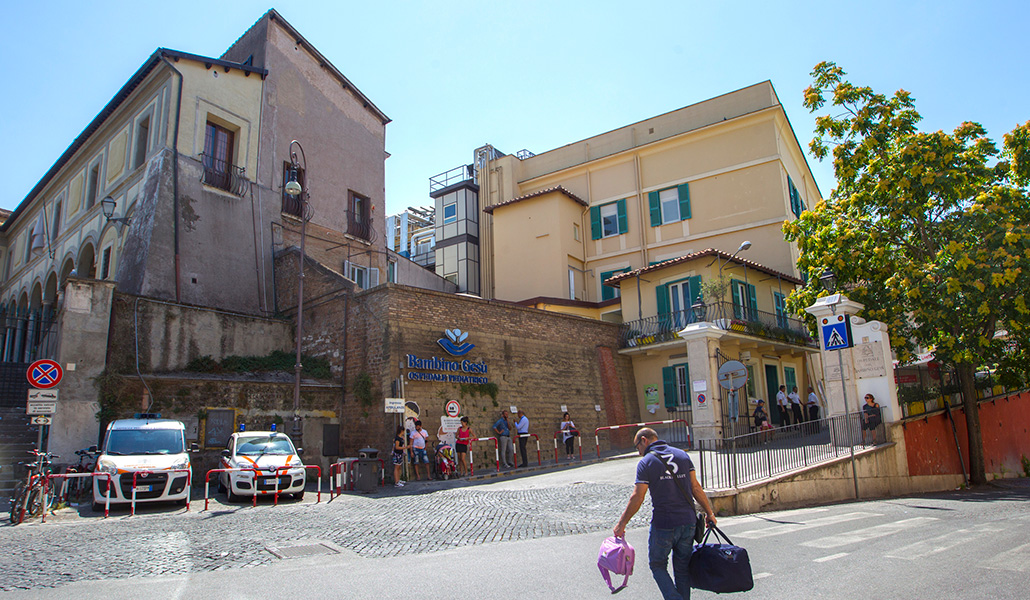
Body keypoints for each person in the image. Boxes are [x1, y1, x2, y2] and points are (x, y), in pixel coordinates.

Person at [614, 428, 717, 600]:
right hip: (688, 522)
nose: (638, 451)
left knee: (657, 564)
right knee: (682, 568)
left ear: (644, 440)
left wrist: (621, 524)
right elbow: (696, 488)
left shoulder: (646, 462)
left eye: (637, 446)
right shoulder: (683, 456)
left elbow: (637, 497)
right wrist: (710, 513)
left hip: (664, 523)